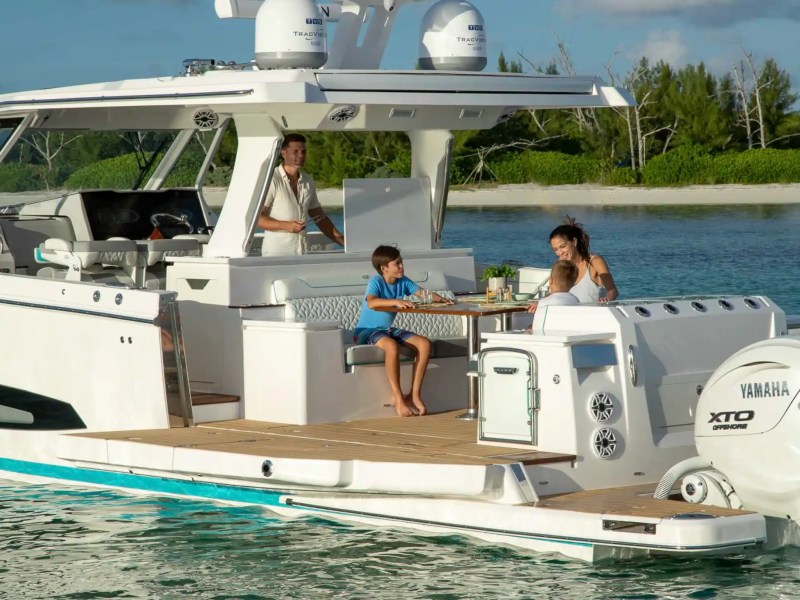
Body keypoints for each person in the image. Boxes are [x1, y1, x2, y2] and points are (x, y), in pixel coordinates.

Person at [353, 245, 453, 417]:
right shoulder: (376, 282)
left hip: (387, 330)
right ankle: (398, 398)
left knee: (423, 344)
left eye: (401, 263)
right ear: (384, 268)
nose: (401, 266)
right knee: (391, 346)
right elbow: (372, 302)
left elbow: (422, 293)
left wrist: (441, 299)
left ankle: (414, 395)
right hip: (366, 331)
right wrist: (395, 302)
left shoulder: (403, 281)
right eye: (397, 263)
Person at [258, 133, 344, 255]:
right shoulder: (272, 179)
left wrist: (344, 242)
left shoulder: (308, 180)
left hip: (302, 254)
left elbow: (320, 218)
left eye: (303, 152)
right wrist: (285, 225)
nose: (301, 155)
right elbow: (257, 219)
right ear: (283, 153)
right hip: (275, 256)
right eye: (296, 151)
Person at [548, 216, 618, 303]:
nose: (560, 253)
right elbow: (552, 293)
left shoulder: (595, 262)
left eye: (563, 247)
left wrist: (607, 299)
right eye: (555, 250)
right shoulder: (559, 265)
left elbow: (613, 290)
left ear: (574, 242)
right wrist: (540, 303)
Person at [530, 259, 580, 327]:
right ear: (573, 284)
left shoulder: (544, 302)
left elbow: (536, 326)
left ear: (551, 281)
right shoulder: (575, 300)